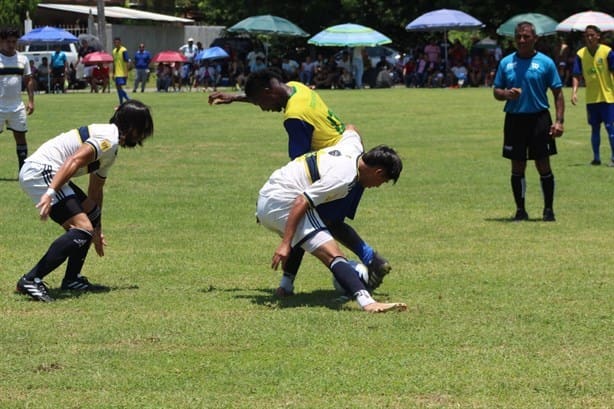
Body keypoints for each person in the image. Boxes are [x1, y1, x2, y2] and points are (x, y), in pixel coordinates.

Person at [208, 69, 393, 296]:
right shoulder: (297, 88)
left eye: (260, 104)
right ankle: (366, 260)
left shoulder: (295, 117)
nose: (264, 109)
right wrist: (236, 97)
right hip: (350, 157)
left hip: (337, 174)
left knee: (304, 222)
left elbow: (299, 161)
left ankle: (359, 266)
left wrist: (279, 198)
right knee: (318, 223)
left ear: (268, 92)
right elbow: (349, 128)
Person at [15, 100, 154, 302]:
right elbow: (75, 160)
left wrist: (98, 229)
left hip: (52, 173)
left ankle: (71, 280)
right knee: (82, 229)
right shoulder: (109, 138)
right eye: (143, 129)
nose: (143, 136)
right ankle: (31, 279)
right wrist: (51, 191)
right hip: (42, 171)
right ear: (133, 127)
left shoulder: (111, 149)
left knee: (91, 219)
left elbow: (95, 190)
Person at [256, 130, 406, 313]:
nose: (378, 186)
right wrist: (285, 243)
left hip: (268, 197)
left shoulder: (353, 148)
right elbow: (301, 202)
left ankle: (285, 287)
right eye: (382, 181)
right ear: (378, 171)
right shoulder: (343, 178)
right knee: (332, 254)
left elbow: (351, 129)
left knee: (307, 233)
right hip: (282, 202)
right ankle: (368, 303)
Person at [493, 21, 564, 222]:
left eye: (526, 36)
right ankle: (520, 210)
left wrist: (559, 121)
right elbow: (496, 90)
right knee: (517, 165)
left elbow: (558, 93)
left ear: (535, 39)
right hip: (515, 119)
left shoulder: (546, 63)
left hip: (539, 118)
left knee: (543, 164)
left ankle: (548, 210)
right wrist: (506, 94)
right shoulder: (506, 62)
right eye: (518, 36)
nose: (522, 40)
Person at [571, 25, 614, 166]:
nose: (589, 38)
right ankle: (596, 158)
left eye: (592, 35)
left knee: (610, 128)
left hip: (608, 97)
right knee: (594, 128)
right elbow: (576, 75)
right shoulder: (581, 54)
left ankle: (613, 158)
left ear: (598, 36)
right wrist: (574, 92)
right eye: (587, 35)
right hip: (592, 98)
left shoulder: (607, 52)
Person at [0, 27, 34, 172]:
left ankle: (23, 172)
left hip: (17, 106)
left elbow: (28, 80)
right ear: (1, 41)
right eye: (8, 42)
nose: (11, 45)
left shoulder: (22, 59)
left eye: (14, 41)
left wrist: (31, 101)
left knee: (21, 137)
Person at [112, 37, 130, 104]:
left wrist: (127, 72)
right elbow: (114, 63)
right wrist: (113, 73)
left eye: (117, 42)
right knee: (118, 88)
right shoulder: (114, 51)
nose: (116, 44)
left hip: (122, 73)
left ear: (120, 42)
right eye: (115, 42)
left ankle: (128, 100)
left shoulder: (123, 50)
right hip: (117, 73)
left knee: (119, 87)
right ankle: (122, 103)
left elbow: (127, 62)